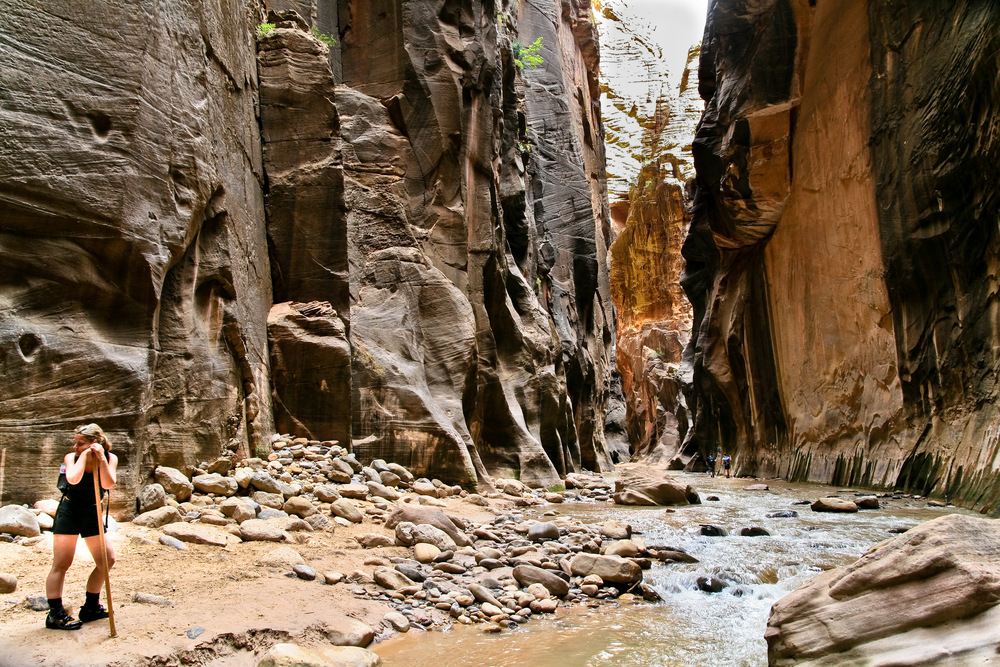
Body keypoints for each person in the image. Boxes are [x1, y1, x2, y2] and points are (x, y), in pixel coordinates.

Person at [45, 423, 118, 630]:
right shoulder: (71, 458)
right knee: (61, 564)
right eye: (75, 443)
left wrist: (101, 458)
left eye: (80, 444)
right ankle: (55, 615)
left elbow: (108, 483)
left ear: (94, 442)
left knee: (107, 560)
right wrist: (85, 456)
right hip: (69, 512)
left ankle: (91, 607)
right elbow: (73, 478)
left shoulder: (111, 458)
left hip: (92, 512)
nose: (75, 447)